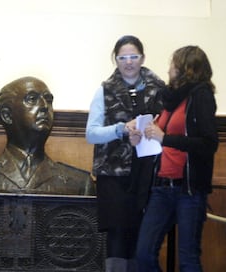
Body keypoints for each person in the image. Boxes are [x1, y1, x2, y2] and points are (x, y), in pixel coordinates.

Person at [134, 46, 218, 271]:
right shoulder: (168, 100)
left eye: (173, 63)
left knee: (188, 258)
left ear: (186, 68)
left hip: (188, 190)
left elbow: (209, 143)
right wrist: (143, 136)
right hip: (161, 187)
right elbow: (161, 141)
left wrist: (165, 138)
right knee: (143, 253)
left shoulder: (201, 95)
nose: (169, 68)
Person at [85, 35, 165, 271]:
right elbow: (91, 133)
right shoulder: (105, 90)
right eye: (123, 57)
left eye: (133, 56)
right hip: (114, 174)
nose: (128, 62)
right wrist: (121, 129)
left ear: (142, 58)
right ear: (115, 59)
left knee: (145, 236)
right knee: (117, 236)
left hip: (150, 173)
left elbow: (170, 127)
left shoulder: (160, 89)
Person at [0, 76, 94, 195]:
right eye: (32, 99)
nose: (45, 106)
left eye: (48, 100)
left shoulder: (80, 183)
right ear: (7, 116)